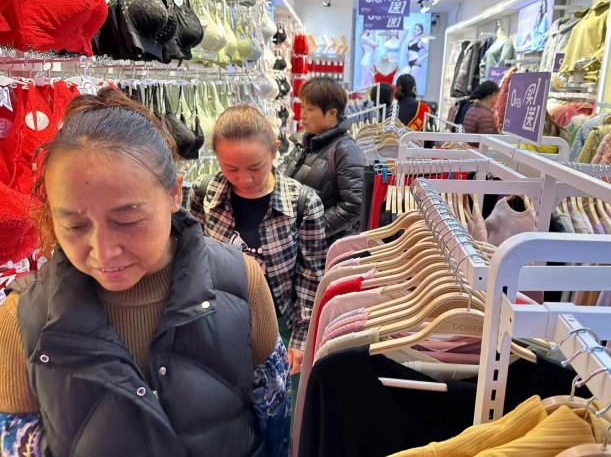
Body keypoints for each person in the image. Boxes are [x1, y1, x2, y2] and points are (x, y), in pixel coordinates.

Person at [0, 88, 281, 456]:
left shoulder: (240, 282)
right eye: (75, 226)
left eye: (128, 220)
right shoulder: (21, 318)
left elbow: (273, 415)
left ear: (175, 192)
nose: (103, 251)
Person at [190, 105, 326, 383]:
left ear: (275, 150)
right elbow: (193, 261)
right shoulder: (204, 194)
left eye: (255, 167)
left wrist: (301, 337)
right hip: (217, 324)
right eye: (230, 168)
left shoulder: (303, 203)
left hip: (280, 327)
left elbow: (311, 277)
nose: (244, 179)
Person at [280, 77, 364, 244]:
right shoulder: (304, 142)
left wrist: (310, 230)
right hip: (294, 241)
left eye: (309, 109)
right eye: (302, 107)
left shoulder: (346, 150)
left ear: (332, 114)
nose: (302, 115)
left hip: (322, 248)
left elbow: (354, 206)